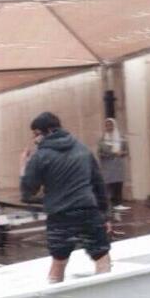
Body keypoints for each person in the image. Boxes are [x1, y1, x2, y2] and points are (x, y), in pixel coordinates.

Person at [20, 112, 112, 284]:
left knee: (59, 261)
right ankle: (107, 292)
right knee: (101, 257)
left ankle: (55, 296)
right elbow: (98, 184)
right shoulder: (83, 149)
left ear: (48, 131)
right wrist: (105, 215)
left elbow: (27, 192)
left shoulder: (40, 156)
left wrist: (24, 167)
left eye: (36, 134)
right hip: (88, 211)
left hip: (60, 216)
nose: (34, 140)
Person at [97, 117, 129, 216]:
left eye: (110, 125)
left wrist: (121, 153)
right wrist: (109, 154)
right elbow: (99, 153)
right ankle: (108, 210)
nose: (108, 127)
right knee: (107, 189)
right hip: (107, 167)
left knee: (118, 188)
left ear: (114, 125)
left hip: (118, 166)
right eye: (106, 125)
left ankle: (118, 209)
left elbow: (126, 151)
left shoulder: (121, 138)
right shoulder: (102, 139)